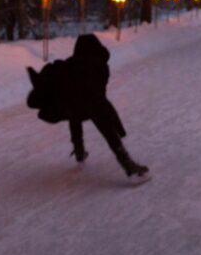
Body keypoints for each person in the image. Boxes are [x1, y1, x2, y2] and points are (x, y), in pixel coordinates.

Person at [26, 34, 148, 180]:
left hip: (71, 105)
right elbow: (100, 94)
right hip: (92, 103)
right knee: (105, 127)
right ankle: (127, 163)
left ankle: (79, 150)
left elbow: (58, 80)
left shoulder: (70, 63)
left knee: (75, 114)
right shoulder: (100, 65)